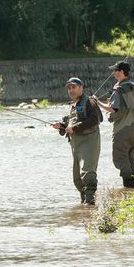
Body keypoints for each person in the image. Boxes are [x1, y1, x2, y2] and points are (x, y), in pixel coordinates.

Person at [51, 77, 102, 205]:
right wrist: (61, 125)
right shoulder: (73, 105)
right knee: (77, 179)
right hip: (76, 146)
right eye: (69, 88)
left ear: (81, 88)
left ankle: (90, 203)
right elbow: (71, 123)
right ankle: (85, 206)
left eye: (74, 87)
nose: (71, 90)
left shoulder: (90, 102)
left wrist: (73, 127)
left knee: (88, 174)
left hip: (89, 143)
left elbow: (94, 120)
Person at [92, 60, 134, 188]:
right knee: (131, 157)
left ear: (121, 72)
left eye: (115, 70)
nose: (113, 73)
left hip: (123, 128)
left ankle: (129, 187)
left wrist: (97, 102)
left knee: (120, 157)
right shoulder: (133, 86)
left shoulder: (119, 89)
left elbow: (113, 109)